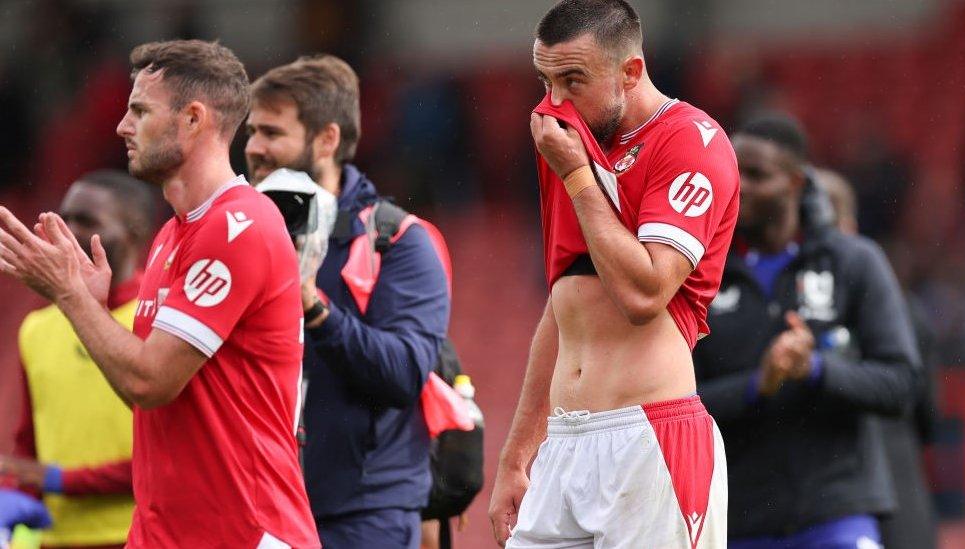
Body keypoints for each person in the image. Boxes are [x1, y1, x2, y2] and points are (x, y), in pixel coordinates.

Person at [0, 40, 319, 548]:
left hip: (242, 532)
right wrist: (93, 308)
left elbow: (150, 382)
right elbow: (153, 404)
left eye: (140, 111)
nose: (122, 127)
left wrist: (70, 296)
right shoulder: (173, 236)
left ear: (193, 119)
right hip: (165, 534)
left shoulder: (239, 226)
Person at [488, 1, 739, 547]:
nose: (554, 102)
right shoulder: (572, 141)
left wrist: (577, 176)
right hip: (564, 444)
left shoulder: (690, 142)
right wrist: (517, 452)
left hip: (650, 440)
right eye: (545, 80)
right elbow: (565, 306)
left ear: (631, 70)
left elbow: (644, 292)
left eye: (573, 80)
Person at [245, 55, 451, 548]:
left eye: (272, 133)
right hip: (261, 508)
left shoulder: (397, 240)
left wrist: (312, 307)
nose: (253, 148)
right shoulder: (239, 233)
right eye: (251, 132)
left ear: (327, 140)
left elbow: (404, 372)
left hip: (361, 517)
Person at [692, 113, 920, 549]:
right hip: (738, 520)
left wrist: (815, 369)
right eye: (733, 174)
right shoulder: (697, 274)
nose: (739, 188)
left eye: (757, 175)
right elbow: (679, 402)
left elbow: (902, 384)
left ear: (796, 183)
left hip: (836, 513)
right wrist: (757, 385)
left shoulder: (854, 262)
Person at [0, 170, 158, 548]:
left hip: (140, 536)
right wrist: (13, 490)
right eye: (64, 217)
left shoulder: (160, 322)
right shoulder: (37, 328)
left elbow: (177, 454)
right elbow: (29, 445)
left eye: (86, 221)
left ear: (134, 233)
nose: (67, 231)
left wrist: (59, 480)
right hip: (56, 539)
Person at [818, 167, 938, 549]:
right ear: (849, 225)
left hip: (829, 499)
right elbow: (927, 413)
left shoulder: (784, 311)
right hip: (897, 494)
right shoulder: (903, 309)